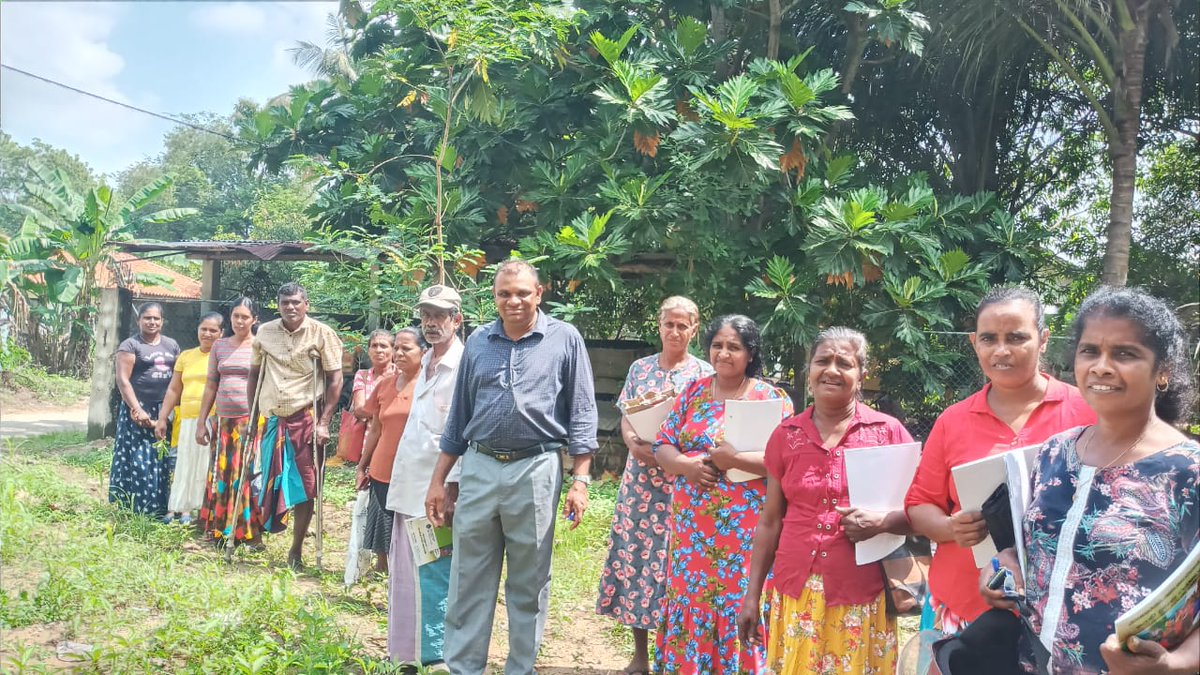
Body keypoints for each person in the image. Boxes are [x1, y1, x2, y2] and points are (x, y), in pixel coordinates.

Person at [981, 287, 1199, 675]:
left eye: (1125, 353)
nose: (1101, 366)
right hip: (1032, 663)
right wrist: (1002, 565)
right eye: (1090, 351)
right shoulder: (1054, 453)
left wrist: (1175, 664)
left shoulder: (1187, 473)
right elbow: (1037, 548)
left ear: (1162, 370)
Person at [423, 260, 598, 675]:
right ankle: (464, 667)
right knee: (469, 576)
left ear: (539, 293)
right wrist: (438, 479)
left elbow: (583, 413)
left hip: (536, 469)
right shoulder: (480, 341)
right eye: (504, 294)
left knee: (529, 579)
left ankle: (520, 667)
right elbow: (459, 419)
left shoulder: (564, 339)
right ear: (495, 298)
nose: (513, 300)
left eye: (522, 292)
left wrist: (581, 481)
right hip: (481, 466)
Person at [905, 287, 1096, 631]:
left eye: (1017, 337)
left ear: (1044, 339)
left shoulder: (1086, 412)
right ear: (973, 342)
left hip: (1061, 615)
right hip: (966, 612)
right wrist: (950, 528)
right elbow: (920, 506)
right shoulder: (953, 420)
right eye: (989, 338)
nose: (1001, 350)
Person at [738, 327, 914, 673]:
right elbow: (771, 520)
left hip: (860, 593)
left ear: (861, 375)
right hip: (795, 592)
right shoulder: (786, 436)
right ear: (809, 369)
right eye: (823, 361)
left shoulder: (887, 432)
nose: (832, 370)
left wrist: (882, 521)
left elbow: (920, 508)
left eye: (844, 363)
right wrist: (752, 594)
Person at [652, 314, 794, 674]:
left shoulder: (771, 400)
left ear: (750, 353)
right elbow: (663, 444)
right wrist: (686, 466)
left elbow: (791, 459)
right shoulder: (693, 393)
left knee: (739, 602)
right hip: (691, 533)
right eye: (718, 345)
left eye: (734, 347)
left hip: (745, 533)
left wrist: (735, 459)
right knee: (690, 601)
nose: (724, 353)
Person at [596, 296, 713, 675]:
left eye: (683, 325)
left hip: (682, 482)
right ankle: (640, 655)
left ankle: (675, 655)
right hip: (641, 483)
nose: (675, 331)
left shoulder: (704, 375)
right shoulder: (640, 368)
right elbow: (628, 415)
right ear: (659, 326)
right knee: (638, 560)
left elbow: (707, 428)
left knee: (675, 565)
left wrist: (670, 454)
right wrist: (632, 442)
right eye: (669, 324)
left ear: (694, 329)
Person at [387, 284, 465, 666]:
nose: (432, 323)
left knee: (435, 571)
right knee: (406, 572)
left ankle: (435, 657)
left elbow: (464, 433)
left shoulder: (464, 366)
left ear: (457, 319)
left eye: (440, 315)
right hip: (410, 489)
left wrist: (451, 488)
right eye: (426, 316)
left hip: (437, 493)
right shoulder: (427, 363)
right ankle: (407, 653)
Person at [246, 282, 343, 569]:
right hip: (273, 418)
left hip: (305, 418)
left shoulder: (321, 334)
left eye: (296, 302)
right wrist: (252, 419)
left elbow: (335, 380)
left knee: (307, 486)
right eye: (285, 302)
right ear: (278, 304)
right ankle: (260, 533)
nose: (290, 307)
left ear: (306, 304)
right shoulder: (264, 332)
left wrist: (325, 422)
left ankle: (296, 549)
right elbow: (253, 375)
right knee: (266, 479)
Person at [358, 327, 425, 574]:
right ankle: (383, 574)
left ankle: (408, 576)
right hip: (382, 468)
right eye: (396, 347)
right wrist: (362, 465)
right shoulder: (384, 385)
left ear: (424, 351)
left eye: (406, 348)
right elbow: (376, 428)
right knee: (383, 527)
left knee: (411, 528)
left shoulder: (429, 385)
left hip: (414, 470)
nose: (398, 353)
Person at [196, 297, 262, 545]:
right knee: (222, 474)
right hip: (223, 422)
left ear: (254, 319)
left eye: (245, 317)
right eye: (236, 316)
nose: (239, 321)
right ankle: (220, 528)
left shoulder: (260, 346)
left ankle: (250, 531)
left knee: (246, 474)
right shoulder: (220, 346)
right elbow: (211, 384)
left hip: (251, 421)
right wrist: (202, 422)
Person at [111, 302, 180, 516]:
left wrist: (169, 412)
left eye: (156, 318)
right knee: (139, 458)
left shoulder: (171, 345)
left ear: (162, 321)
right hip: (137, 408)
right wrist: (137, 409)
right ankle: (137, 508)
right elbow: (123, 381)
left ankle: (163, 506)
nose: (152, 322)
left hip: (165, 408)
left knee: (163, 458)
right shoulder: (130, 345)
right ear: (138, 320)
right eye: (147, 318)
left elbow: (178, 380)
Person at [155, 312, 223, 524]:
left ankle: (198, 511)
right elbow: (174, 389)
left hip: (211, 420)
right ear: (198, 330)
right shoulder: (186, 356)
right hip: (185, 419)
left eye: (213, 330)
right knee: (184, 462)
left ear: (221, 333)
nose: (208, 334)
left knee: (204, 464)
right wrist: (162, 418)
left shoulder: (222, 355)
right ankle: (177, 507)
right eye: (204, 329)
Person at [342, 330, 395, 464]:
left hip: (394, 443)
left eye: (383, 346)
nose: (378, 350)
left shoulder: (400, 375)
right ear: (369, 350)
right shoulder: (362, 375)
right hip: (367, 444)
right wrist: (387, 412)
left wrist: (372, 411)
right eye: (374, 346)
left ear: (393, 350)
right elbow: (359, 409)